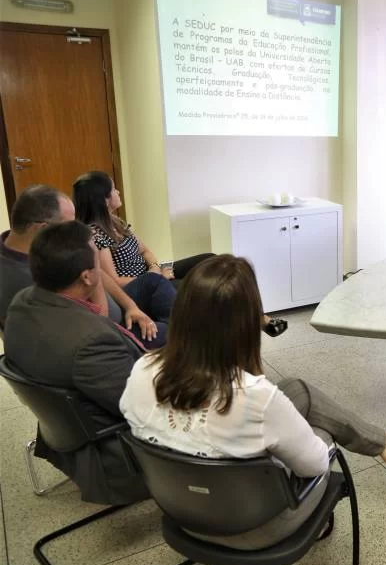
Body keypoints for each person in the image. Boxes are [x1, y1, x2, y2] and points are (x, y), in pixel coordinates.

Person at [119, 254, 386, 549]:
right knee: (321, 434)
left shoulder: (142, 370)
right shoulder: (255, 397)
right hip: (259, 527)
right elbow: (315, 466)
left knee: (298, 390)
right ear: (248, 325)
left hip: (180, 514)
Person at [4, 221, 150, 504]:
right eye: (97, 257)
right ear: (85, 276)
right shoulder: (90, 341)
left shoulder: (23, 301)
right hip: (115, 452)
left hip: (73, 424)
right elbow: (143, 408)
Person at [73, 171, 287, 338]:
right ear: (103, 199)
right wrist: (155, 276)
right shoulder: (95, 235)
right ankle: (253, 321)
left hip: (153, 273)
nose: (118, 192)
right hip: (141, 286)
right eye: (114, 189)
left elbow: (145, 250)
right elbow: (117, 281)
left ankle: (256, 316)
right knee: (206, 286)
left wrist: (155, 267)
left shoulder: (116, 222)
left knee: (213, 260)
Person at [0, 185, 161, 348]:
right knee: (179, 332)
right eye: (71, 224)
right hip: (108, 334)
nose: (79, 229)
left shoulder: (45, 246)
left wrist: (130, 306)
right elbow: (94, 325)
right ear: (43, 228)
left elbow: (101, 275)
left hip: (118, 311)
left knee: (161, 286)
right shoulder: (29, 278)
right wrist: (93, 260)